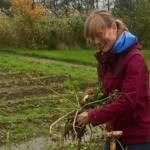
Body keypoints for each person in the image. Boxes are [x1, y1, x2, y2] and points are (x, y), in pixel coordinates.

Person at [77, 10, 150, 150]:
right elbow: (109, 94)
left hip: (138, 137)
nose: (96, 42)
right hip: (114, 133)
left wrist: (92, 116)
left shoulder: (134, 59)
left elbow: (128, 101)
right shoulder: (105, 60)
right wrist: (92, 99)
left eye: (99, 35)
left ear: (114, 28)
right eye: (92, 38)